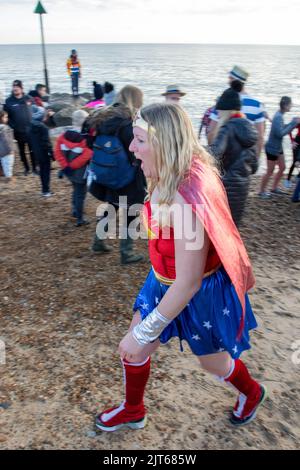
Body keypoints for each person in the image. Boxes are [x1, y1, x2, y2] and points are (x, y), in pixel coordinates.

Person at [95, 102, 266, 432]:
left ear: (163, 142)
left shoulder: (187, 194)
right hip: (162, 280)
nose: (132, 147)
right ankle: (133, 409)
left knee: (213, 364)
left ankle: (252, 391)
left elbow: (188, 282)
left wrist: (146, 330)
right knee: (133, 351)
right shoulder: (168, 169)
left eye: (140, 140)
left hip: (200, 292)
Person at [87, 85, 147, 264]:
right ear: (135, 101)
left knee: (111, 206)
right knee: (130, 211)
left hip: (107, 173)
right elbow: (135, 151)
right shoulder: (128, 123)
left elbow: (90, 143)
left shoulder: (104, 118)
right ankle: (126, 253)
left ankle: (98, 242)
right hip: (127, 176)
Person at [209, 81, 258, 226]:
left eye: (219, 111)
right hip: (242, 188)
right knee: (233, 226)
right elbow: (255, 167)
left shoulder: (227, 129)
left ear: (226, 111)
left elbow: (213, 156)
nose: (217, 114)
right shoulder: (250, 129)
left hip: (225, 187)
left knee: (219, 228)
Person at [207, 66, 265, 159]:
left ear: (234, 81)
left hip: (224, 158)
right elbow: (260, 137)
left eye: (230, 78)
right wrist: (256, 159)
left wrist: (213, 158)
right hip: (246, 161)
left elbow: (211, 132)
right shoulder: (257, 105)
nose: (227, 81)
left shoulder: (222, 102)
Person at [55, 110, 92, 226]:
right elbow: (87, 155)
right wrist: (71, 166)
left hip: (68, 172)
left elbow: (57, 152)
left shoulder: (62, 136)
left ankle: (75, 210)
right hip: (80, 173)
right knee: (81, 194)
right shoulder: (85, 140)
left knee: (75, 190)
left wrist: (65, 166)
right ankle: (80, 219)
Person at [259, 97, 300, 198]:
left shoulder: (280, 115)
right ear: (286, 106)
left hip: (278, 147)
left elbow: (282, 127)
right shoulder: (278, 116)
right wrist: (293, 123)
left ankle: (274, 188)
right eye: (290, 104)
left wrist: (291, 123)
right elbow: (280, 134)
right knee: (270, 171)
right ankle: (261, 191)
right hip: (272, 148)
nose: (291, 106)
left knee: (282, 167)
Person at [4, 80, 37, 175]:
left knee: (33, 150)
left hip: (30, 130)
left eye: (17, 87)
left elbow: (35, 111)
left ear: (21, 88)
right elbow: (6, 116)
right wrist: (12, 126)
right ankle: (26, 169)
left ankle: (35, 169)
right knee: (22, 151)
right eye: (13, 87)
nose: (15, 89)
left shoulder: (29, 98)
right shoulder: (9, 101)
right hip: (18, 132)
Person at [29, 105, 53, 197]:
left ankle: (44, 189)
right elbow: (46, 143)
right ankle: (46, 191)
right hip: (44, 153)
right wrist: (51, 154)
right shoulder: (43, 128)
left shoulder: (31, 125)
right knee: (46, 171)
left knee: (42, 171)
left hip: (36, 152)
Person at [0, 110, 15, 183]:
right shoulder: (4, 128)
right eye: (5, 117)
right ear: (1, 118)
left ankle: (7, 176)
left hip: (1, 150)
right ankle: (9, 178)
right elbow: (6, 140)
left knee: (4, 163)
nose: (7, 119)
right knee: (8, 164)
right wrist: (10, 149)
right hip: (7, 150)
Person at [284, 124, 300, 188]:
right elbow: (289, 128)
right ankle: (287, 180)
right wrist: (292, 140)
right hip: (297, 144)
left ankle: (298, 176)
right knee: (295, 162)